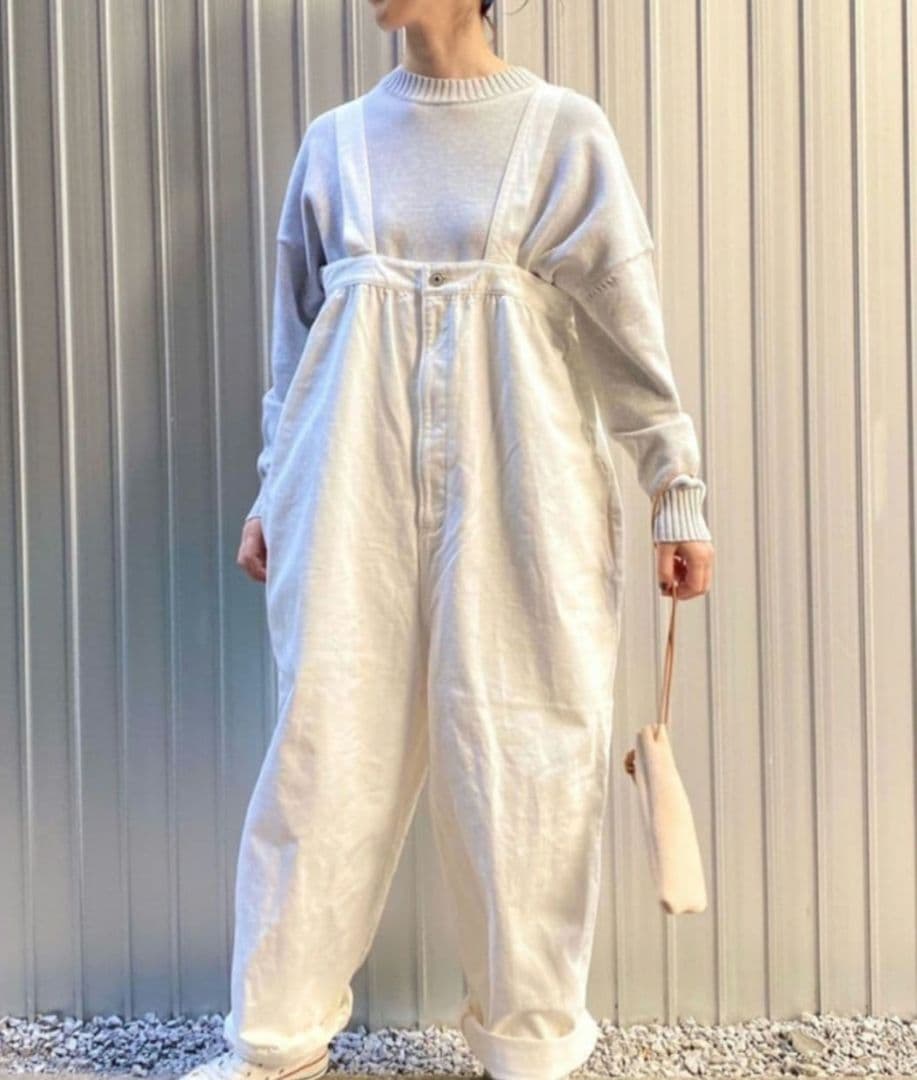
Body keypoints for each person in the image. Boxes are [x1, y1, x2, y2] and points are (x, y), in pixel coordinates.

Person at [191, 2, 715, 1080]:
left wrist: (675, 485)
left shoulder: (563, 133)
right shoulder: (334, 144)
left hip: (524, 488)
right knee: (322, 752)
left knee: (525, 756)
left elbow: (627, 327)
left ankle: (528, 1049)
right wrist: (269, 494)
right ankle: (275, 1047)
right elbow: (295, 351)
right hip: (341, 490)